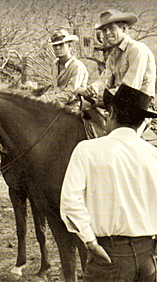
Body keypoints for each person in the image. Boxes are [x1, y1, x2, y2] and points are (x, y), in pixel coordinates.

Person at [60, 84, 157, 282]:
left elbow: (70, 201)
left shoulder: (86, 150)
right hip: (148, 256)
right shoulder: (153, 154)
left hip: (109, 254)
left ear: (111, 112)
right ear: (142, 122)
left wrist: (90, 242)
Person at [77, 9, 156, 100]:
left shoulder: (137, 50)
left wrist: (100, 96)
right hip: (119, 105)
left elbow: (129, 90)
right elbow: (105, 80)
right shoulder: (113, 56)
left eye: (111, 28)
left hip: (140, 109)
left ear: (124, 29)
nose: (107, 33)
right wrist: (94, 88)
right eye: (104, 30)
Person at [39, 28, 89, 109]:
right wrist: (41, 98)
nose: (58, 48)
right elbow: (54, 87)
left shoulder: (77, 66)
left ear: (69, 46)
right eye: (55, 45)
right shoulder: (55, 64)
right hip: (55, 103)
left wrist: (45, 100)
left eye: (61, 44)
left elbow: (70, 94)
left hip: (72, 105)